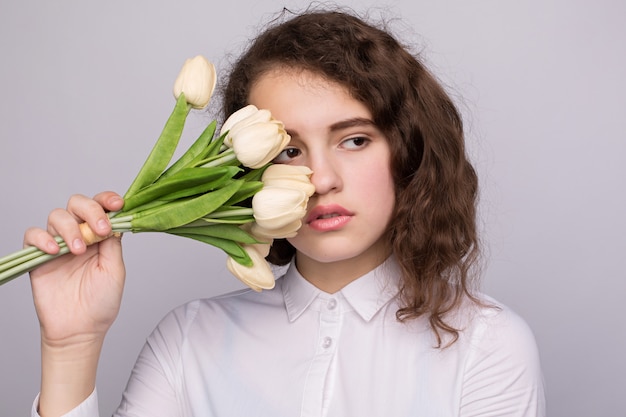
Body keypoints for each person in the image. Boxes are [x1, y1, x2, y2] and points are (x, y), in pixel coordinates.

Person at [25, 8, 545, 417]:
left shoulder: (486, 344)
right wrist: (71, 346)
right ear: (244, 170)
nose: (321, 180)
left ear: (407, 151)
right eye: (288, 151)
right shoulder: (189, 340)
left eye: (355, 140)